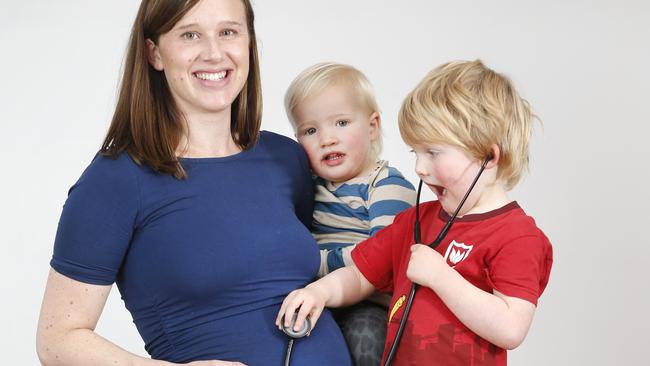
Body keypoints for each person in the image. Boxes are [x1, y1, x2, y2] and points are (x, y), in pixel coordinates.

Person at [35, 1, 352, 365]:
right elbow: (57, 340)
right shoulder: (116, 179)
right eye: (190, 35)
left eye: (228, 32)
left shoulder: (288, 158)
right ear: (154, 52)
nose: (214, 53)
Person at [276, 60, 554, 365]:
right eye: (416, 154)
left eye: (433, 153)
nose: (420, 169)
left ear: (487, 156)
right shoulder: (416, 221)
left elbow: (510, 328)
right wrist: (321, 292)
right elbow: (360, 274)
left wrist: (441, 277)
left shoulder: (517, 236)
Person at [284, 63, 416, 365]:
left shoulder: (386, 185)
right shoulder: (308, 187)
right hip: (320, 300)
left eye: (341, 123)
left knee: (365, 335)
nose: (327, 138)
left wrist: (313, 263)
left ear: (372, 126)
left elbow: (379, 262)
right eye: (311, 130)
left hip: (370, 303)